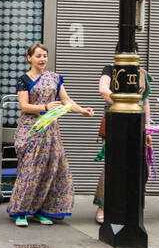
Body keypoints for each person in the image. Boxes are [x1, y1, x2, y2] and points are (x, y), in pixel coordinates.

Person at [6, 43, 94, 226]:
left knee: (51, 170)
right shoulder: (24, 80)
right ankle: (21, 211)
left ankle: (42, 210)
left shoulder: (54, 78)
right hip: (31, 129)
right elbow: (24, 106)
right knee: (29, 170)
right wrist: (45, 107)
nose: (42, 59)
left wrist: (82, 110)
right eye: (38, 56)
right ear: (29, 58)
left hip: (51, 132)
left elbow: (66, 101)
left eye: (45, 56)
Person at [93, 64, 151, 224]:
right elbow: (103, 90)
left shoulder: (141, 73)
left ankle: (130, 206)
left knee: (140, 166)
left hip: (137, 122)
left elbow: (145, 101)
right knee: (113, 165)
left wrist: (148, 129)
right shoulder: (110, 70)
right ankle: (103, 207)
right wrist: (125, 105)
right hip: (116, 121)